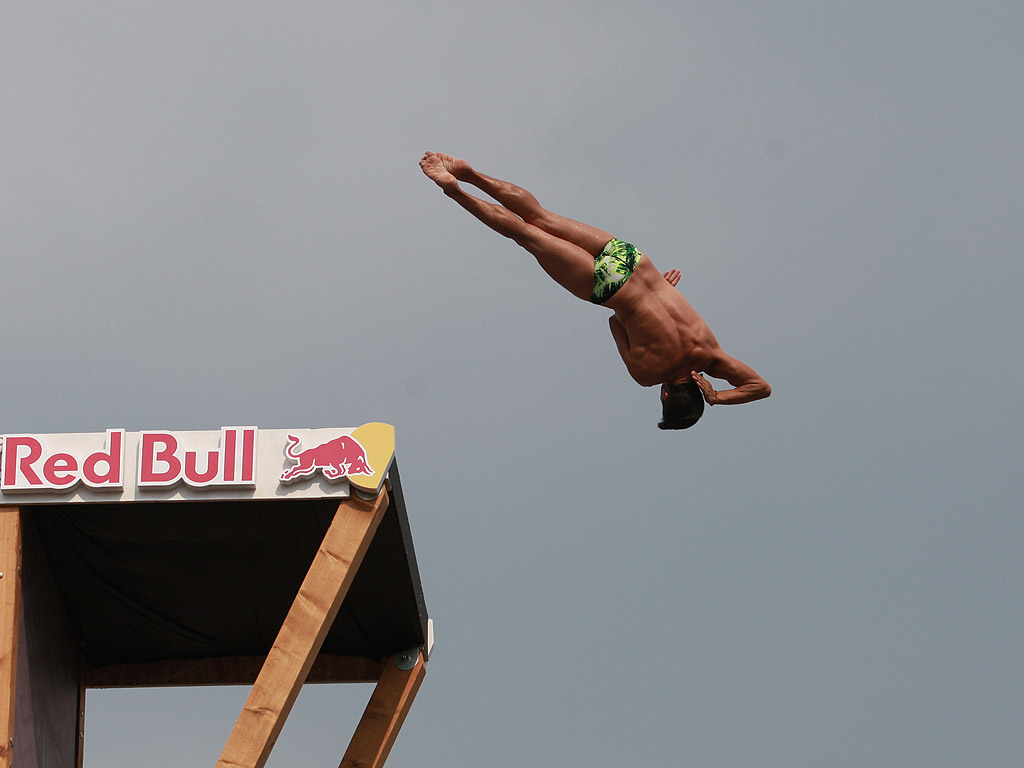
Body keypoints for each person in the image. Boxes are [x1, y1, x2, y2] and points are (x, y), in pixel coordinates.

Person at [419, 152, 770, 429]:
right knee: (526, 235)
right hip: (608, 288)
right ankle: (454, 189)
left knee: (540, 216)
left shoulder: (711, 356)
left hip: (633, 261)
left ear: (696, 388)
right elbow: (616, 324)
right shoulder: (647, 376)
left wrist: (718, 396)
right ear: (665, 394)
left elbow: (761, 387)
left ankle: (468, 172)